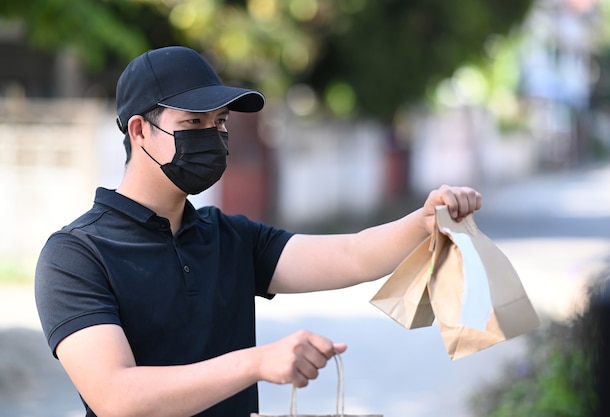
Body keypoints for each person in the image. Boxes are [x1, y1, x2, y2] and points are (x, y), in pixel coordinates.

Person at [35, 46, 482, 417]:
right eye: (194, 123)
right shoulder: (76, 255)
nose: (212, 136)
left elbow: (353, 256)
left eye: (220, 123)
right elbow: (117, 398)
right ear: (140, 131)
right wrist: (257, 362)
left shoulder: (230, 237)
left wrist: (423, 220)